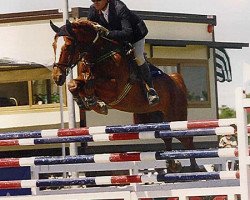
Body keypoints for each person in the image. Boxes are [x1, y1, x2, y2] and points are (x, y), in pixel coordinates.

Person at [87, 0, 160, 106]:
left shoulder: (119, 8)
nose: (95, 2)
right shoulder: (93, 10)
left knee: (138, 57)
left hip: (135, 35)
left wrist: (107, 32)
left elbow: (127, 33)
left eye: (98, 0)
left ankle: (151, 90)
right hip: (114, 36)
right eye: (93, 0)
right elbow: (90, 29)